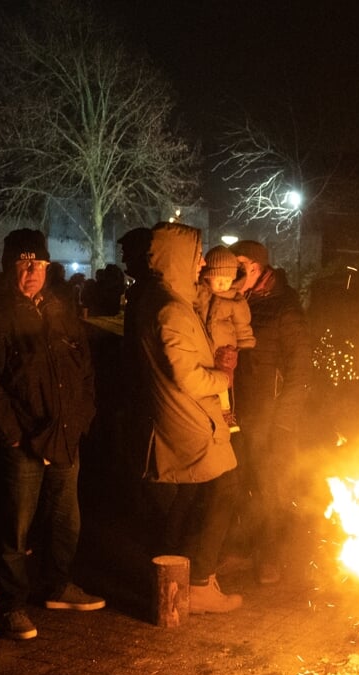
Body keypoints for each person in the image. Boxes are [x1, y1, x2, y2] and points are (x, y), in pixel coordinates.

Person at [0, 229, 102, 640]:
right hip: (24, 441)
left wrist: (81, 419)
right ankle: (11, 604)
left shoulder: (60, 311)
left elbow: (84, 373)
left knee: (66, 519)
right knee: (16, 527)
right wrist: (12, 433)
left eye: (39, 265)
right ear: (10, 266)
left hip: (64, 437)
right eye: (24, 264)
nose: (32, 272)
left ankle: (58, 585)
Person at [134, 222, 243, 613]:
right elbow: (187, 376)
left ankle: (174, 571)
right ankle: (199, 582)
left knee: (193, 492)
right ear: (178, 258)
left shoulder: (166, 301)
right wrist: (222, 376)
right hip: (190, 420)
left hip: (184, 416)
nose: (201, 261)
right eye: (197, 254)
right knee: (225, 486)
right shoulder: (170, 310)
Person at [228, 242, 312, 583]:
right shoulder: (237, 303)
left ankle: (271, 556)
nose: (235, 273)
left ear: (260, 268)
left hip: (271, 416)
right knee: (242, 483)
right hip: (242, 412)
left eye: (242, 265)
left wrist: (284, 422)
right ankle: (244, 549)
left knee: (270, 487)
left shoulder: (285, 309)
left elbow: (301, 371)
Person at [198, 245, 255, 432]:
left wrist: (244, 347)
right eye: (218, 280)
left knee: (222, 381)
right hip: (204, 348)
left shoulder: (236, 301)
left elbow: (242, 325)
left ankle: (225, 413)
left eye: (227, 280)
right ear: (208, 277)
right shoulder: (201, 295)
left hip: (224, 349)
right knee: (204, 381)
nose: (223, 285)